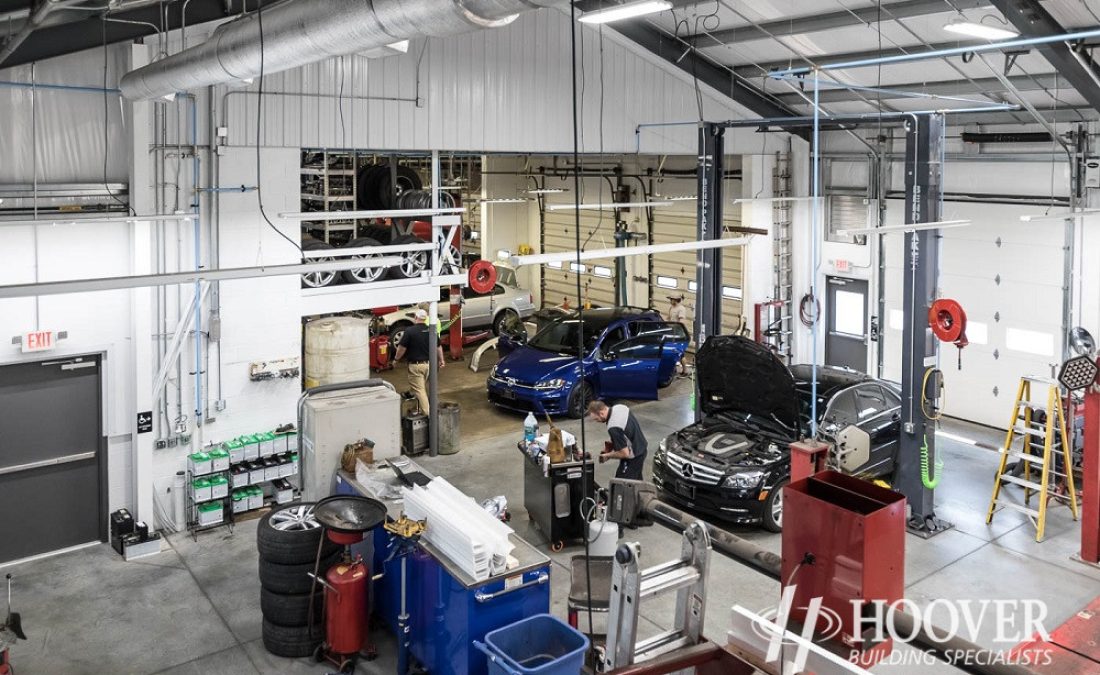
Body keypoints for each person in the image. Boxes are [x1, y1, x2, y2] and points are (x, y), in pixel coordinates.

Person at [393, 308, 445, 415]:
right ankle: (418, 409)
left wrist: (396, 360)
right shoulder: (432, 330)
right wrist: (442, 360)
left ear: (416, 318)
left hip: (416, 367)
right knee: (423, 388)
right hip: (431, 365)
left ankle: (429, 416)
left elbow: (401, 348)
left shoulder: (409, 331)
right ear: (425, 318)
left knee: (420, 390)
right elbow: (438, 347)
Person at [586, 400, 647, 480]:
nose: (597, 421)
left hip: (634, 456)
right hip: (642, 447)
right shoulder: (620, 407)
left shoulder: (613, 427)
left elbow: (625, 453)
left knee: (622, 484)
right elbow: (626, 432)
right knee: (636, 482)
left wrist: (607, 456)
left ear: (601, 413)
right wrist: (613, 443)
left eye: (596, 419)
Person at [666, 295, 690, 376]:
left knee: (680, 352)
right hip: (672, 333)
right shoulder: (671, 308)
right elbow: (668, 319)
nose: (670, 301)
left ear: (676, 300)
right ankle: (673, 368)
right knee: (673, 351)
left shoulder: (681, 309)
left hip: (678, 334)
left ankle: (685, 371)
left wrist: (675, 331)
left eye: (671, 299)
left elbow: (681, 322)